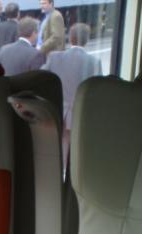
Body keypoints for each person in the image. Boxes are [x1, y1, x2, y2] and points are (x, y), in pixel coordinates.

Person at [43, 22, 102, 171]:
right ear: (86, 40)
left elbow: (42, 77)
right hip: (80, 113)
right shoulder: (94, 62)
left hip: (58, 111)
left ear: (70, 38)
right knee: (75, 151)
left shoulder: (54, 57)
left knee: (58, 148)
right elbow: (97, 90)